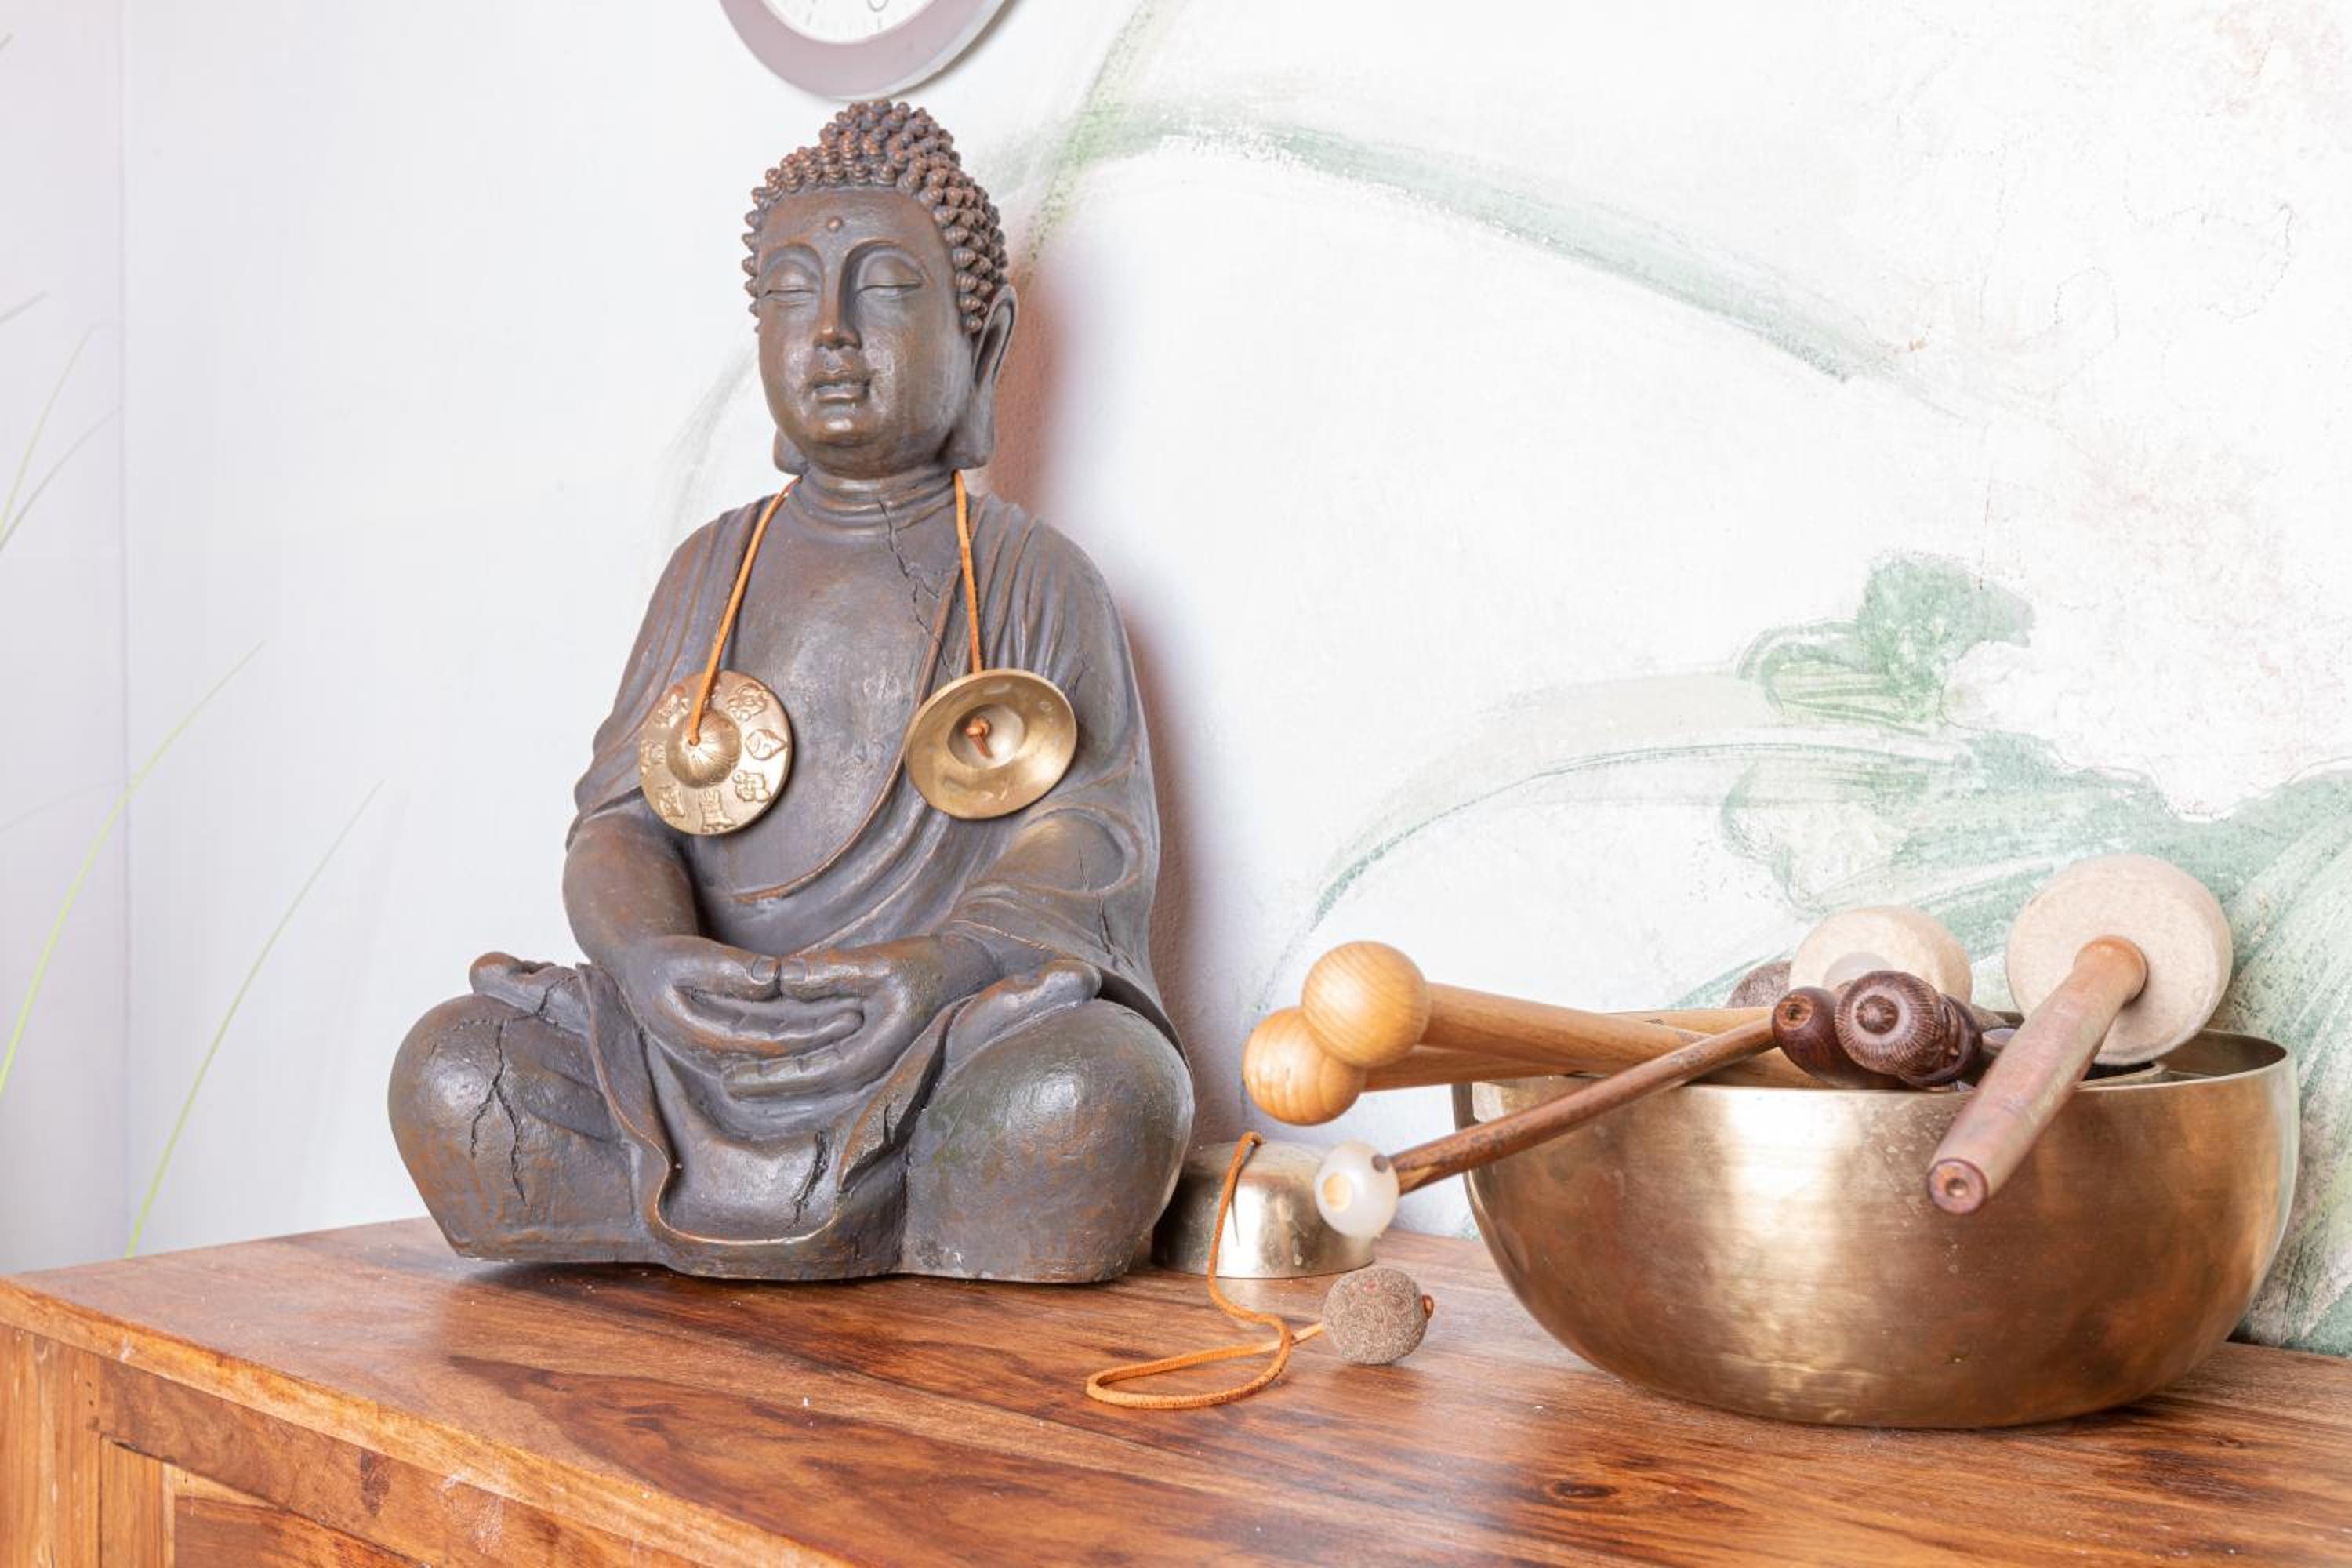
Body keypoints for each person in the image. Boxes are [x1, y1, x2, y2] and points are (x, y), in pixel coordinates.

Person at [388, 102, 1191, 1281]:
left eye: (887, 290)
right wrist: (652, 957)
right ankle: (662, 1184)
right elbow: (618, 827)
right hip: (691, 1046)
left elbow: (1091, 838)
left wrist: (943, 966)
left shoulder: (1037, 577)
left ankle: (916, 1201)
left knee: (1101, 1092)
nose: (832, 335)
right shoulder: (711, 571)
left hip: (923, 1042)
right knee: (455, 1068)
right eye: (791, 294)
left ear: (984, 343)